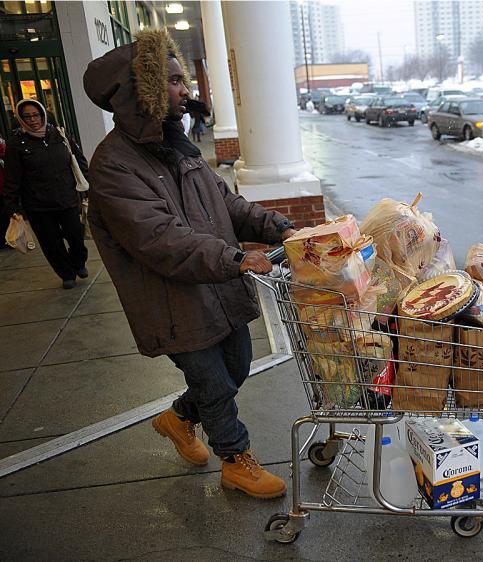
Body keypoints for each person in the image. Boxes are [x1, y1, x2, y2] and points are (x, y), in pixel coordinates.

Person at [83, 28, 296, 499]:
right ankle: (235, 460)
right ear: (147, 92)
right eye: (176, 81)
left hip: (218, 287)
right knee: (214, 383)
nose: (187, 91)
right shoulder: (114, 166)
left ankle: (178, 419)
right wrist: (237, 259)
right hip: (170, 300)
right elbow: (160, 240)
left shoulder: (180, 149)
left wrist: (280, 227)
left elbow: (229, 205)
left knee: (237, 366)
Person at [3, 99, 89, 288]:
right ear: (20, 118)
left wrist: (88, 185)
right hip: (38, 205)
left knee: (76, 235)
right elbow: (12, 178)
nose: (33, 120)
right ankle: (66, 274)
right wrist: (12, 206)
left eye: (36, 115)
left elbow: (78, 161)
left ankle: (79, 262)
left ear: (43, 114)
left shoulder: (59, 135)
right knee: (52, 244)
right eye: (27, 116)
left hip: (67, 198)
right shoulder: (17, 144)